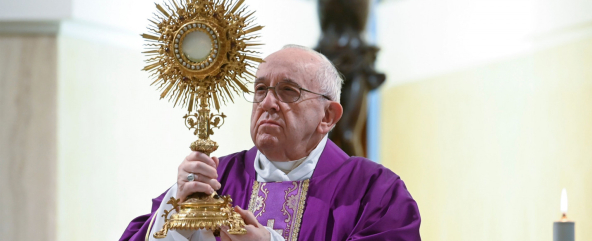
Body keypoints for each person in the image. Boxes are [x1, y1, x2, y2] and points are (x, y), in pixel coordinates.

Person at [120, 45, 421, 241]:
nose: (268, 103)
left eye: (288, 91)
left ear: (328, 116)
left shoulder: (374, 191)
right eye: (260, 89)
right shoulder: (212, 179)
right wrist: (177, 222)